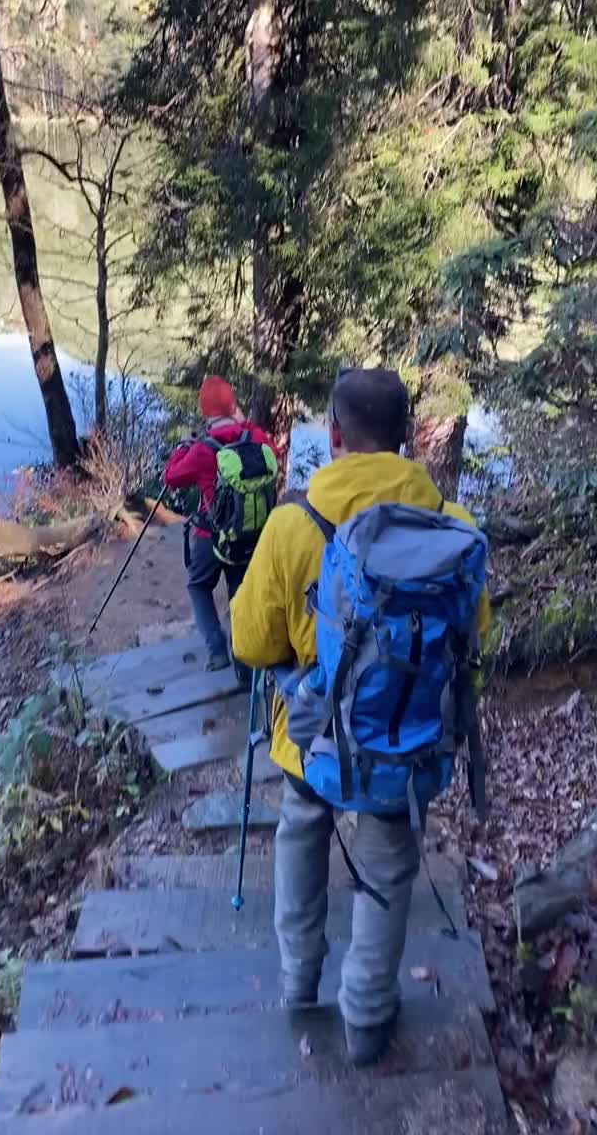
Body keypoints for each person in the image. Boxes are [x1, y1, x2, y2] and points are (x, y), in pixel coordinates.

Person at [230, 368, 490, 1066]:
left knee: (302, 830)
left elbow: (251, 643)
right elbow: (475, 635)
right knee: (387, 863)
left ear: (335, 435)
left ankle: (297, 983)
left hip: (314, 741)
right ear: (408, 436)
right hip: (402, 745)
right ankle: (368, 1019)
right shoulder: (454, 528)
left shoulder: (294, 522)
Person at [164, 375, 277, 673]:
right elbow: (272, 450)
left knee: (199, 585)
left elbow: (172, 477)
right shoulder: (254, 439)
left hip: (210, 537)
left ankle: (217, 650)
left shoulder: (202, 450)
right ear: (232, 406)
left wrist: (183, 448)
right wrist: (245, 422)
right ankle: (244, 665)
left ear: (205, 412)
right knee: (239, 593)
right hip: (249, 534)